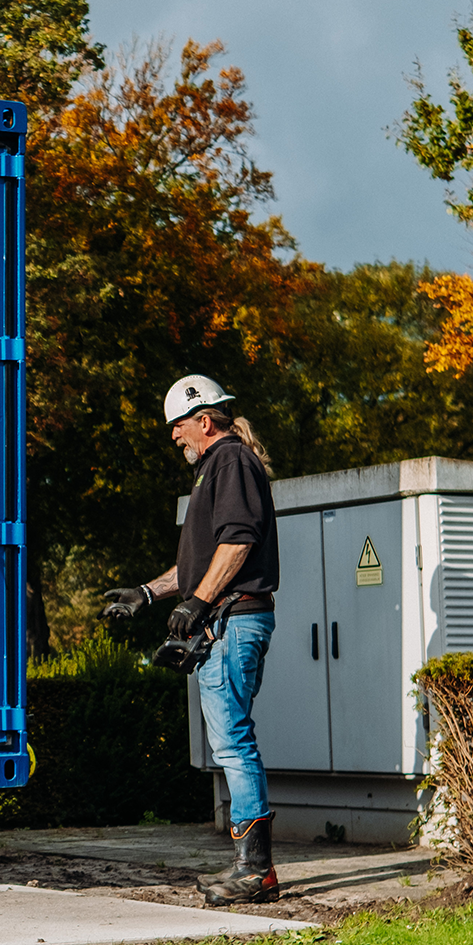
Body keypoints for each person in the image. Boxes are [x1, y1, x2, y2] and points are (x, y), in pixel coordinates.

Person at [103, 374, 280, 905]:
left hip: (232, 619)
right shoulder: (215, 469)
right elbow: (198, 563)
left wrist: (201, 603)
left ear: (203, 420)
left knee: (233, 741)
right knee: (230, 739)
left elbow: (238, 542)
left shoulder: (229, 461)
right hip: (224, 618)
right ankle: (251, 866)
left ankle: (255, 871)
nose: (174, 437)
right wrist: (146, 593)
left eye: (177, 426)